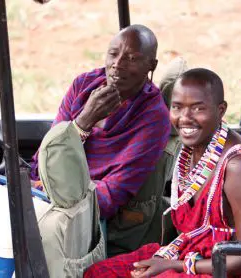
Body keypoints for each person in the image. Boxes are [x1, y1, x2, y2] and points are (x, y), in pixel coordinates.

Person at [84, 68, 241, 277]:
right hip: (192, 254)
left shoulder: (239, 168)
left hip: (229, 271)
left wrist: (176, 266)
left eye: (198, 109)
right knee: (100, 273)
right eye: (177, 107)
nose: (185, 118)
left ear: (221, 110)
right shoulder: (191, 150)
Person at [29, 24, 171, 220]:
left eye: (132, 58)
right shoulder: (84, 84)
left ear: (151, 66)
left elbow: (112, 192)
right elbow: (46, 157)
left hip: (82, 212)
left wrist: (55, 199)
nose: (118, 64)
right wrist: (83, 121)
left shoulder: (153, 117)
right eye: (113, 54)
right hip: (41, 190)